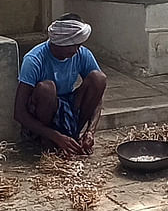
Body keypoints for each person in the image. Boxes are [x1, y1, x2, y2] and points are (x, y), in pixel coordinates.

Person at [14, 14, 107, 155]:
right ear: (60, 42)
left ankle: (73, 135)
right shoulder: (34, 59)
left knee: (98, 78)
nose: (76, 51)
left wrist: (90, 131)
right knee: (47, 88)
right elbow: (19, 113)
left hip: (68, 107)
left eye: (79, 45)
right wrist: (54, 136)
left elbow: (97, 97)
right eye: (72, 46)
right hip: (45, 112)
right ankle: (45, 140)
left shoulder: (81, 54)